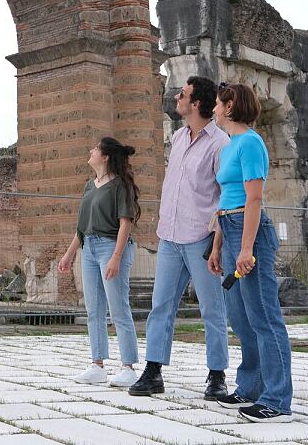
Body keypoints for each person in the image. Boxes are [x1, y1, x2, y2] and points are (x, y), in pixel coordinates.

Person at [128, 76, 230, 400]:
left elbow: (226, 194)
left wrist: (218, 239)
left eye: (182, 94)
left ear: (196, 103)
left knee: (212, 309)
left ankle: (217, 375)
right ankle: (153, 370)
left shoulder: (220, 144)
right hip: (170, 236)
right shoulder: (177, 137)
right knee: (161, 306)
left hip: (201, 237)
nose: (176, 97)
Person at [208, 82, 294, 422]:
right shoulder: (229, 146)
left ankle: (277, 399)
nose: (213, 109)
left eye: (216, 104)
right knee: (241, 318)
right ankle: (250, 388)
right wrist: (217, 246)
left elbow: (253, 199)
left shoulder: (251, 143)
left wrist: (246, 248)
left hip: (251, 232)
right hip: (229, 229)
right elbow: (224, 200)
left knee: (264, 317)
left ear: (230, 106)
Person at [59, 137, 141, 388]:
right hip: (89, 248)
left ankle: (128, 366)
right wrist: (69, 253)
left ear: (105, 156)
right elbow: (82, 227)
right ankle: (97, 364)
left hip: (111, 247)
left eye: (95, 149)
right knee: (93, 310)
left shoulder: (121, 185)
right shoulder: (89, 186)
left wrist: (116, 257)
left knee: (118, 308)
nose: (90, 151)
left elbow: (126, 222)